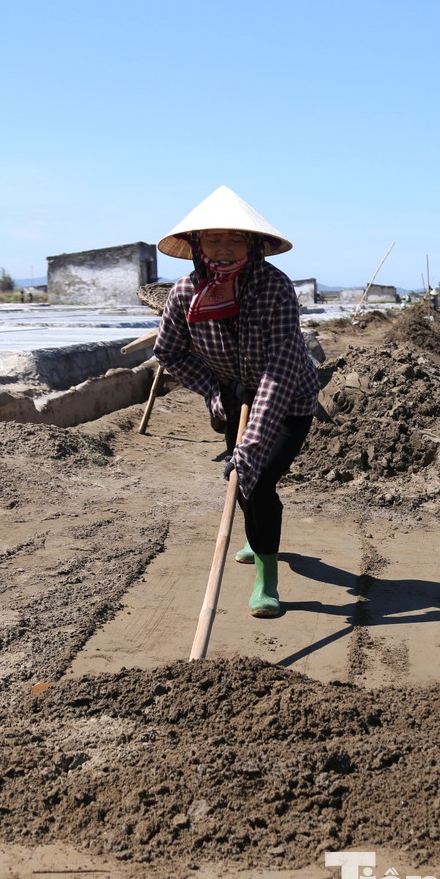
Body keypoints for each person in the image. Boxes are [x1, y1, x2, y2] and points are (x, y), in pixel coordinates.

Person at [153, 186, 320, 618]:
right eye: (213, 239)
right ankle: (258, 531)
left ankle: (266, 578)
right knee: (241, 481)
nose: (223, 250)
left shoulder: (275, 289)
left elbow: (279, 371)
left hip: (290, 399)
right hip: (232, 397)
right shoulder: (185, 294)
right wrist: (214, 390)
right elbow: (168, 353)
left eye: (234, 239)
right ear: (196, 245)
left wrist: (250, 446)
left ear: (252, 245)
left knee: (257, 478)